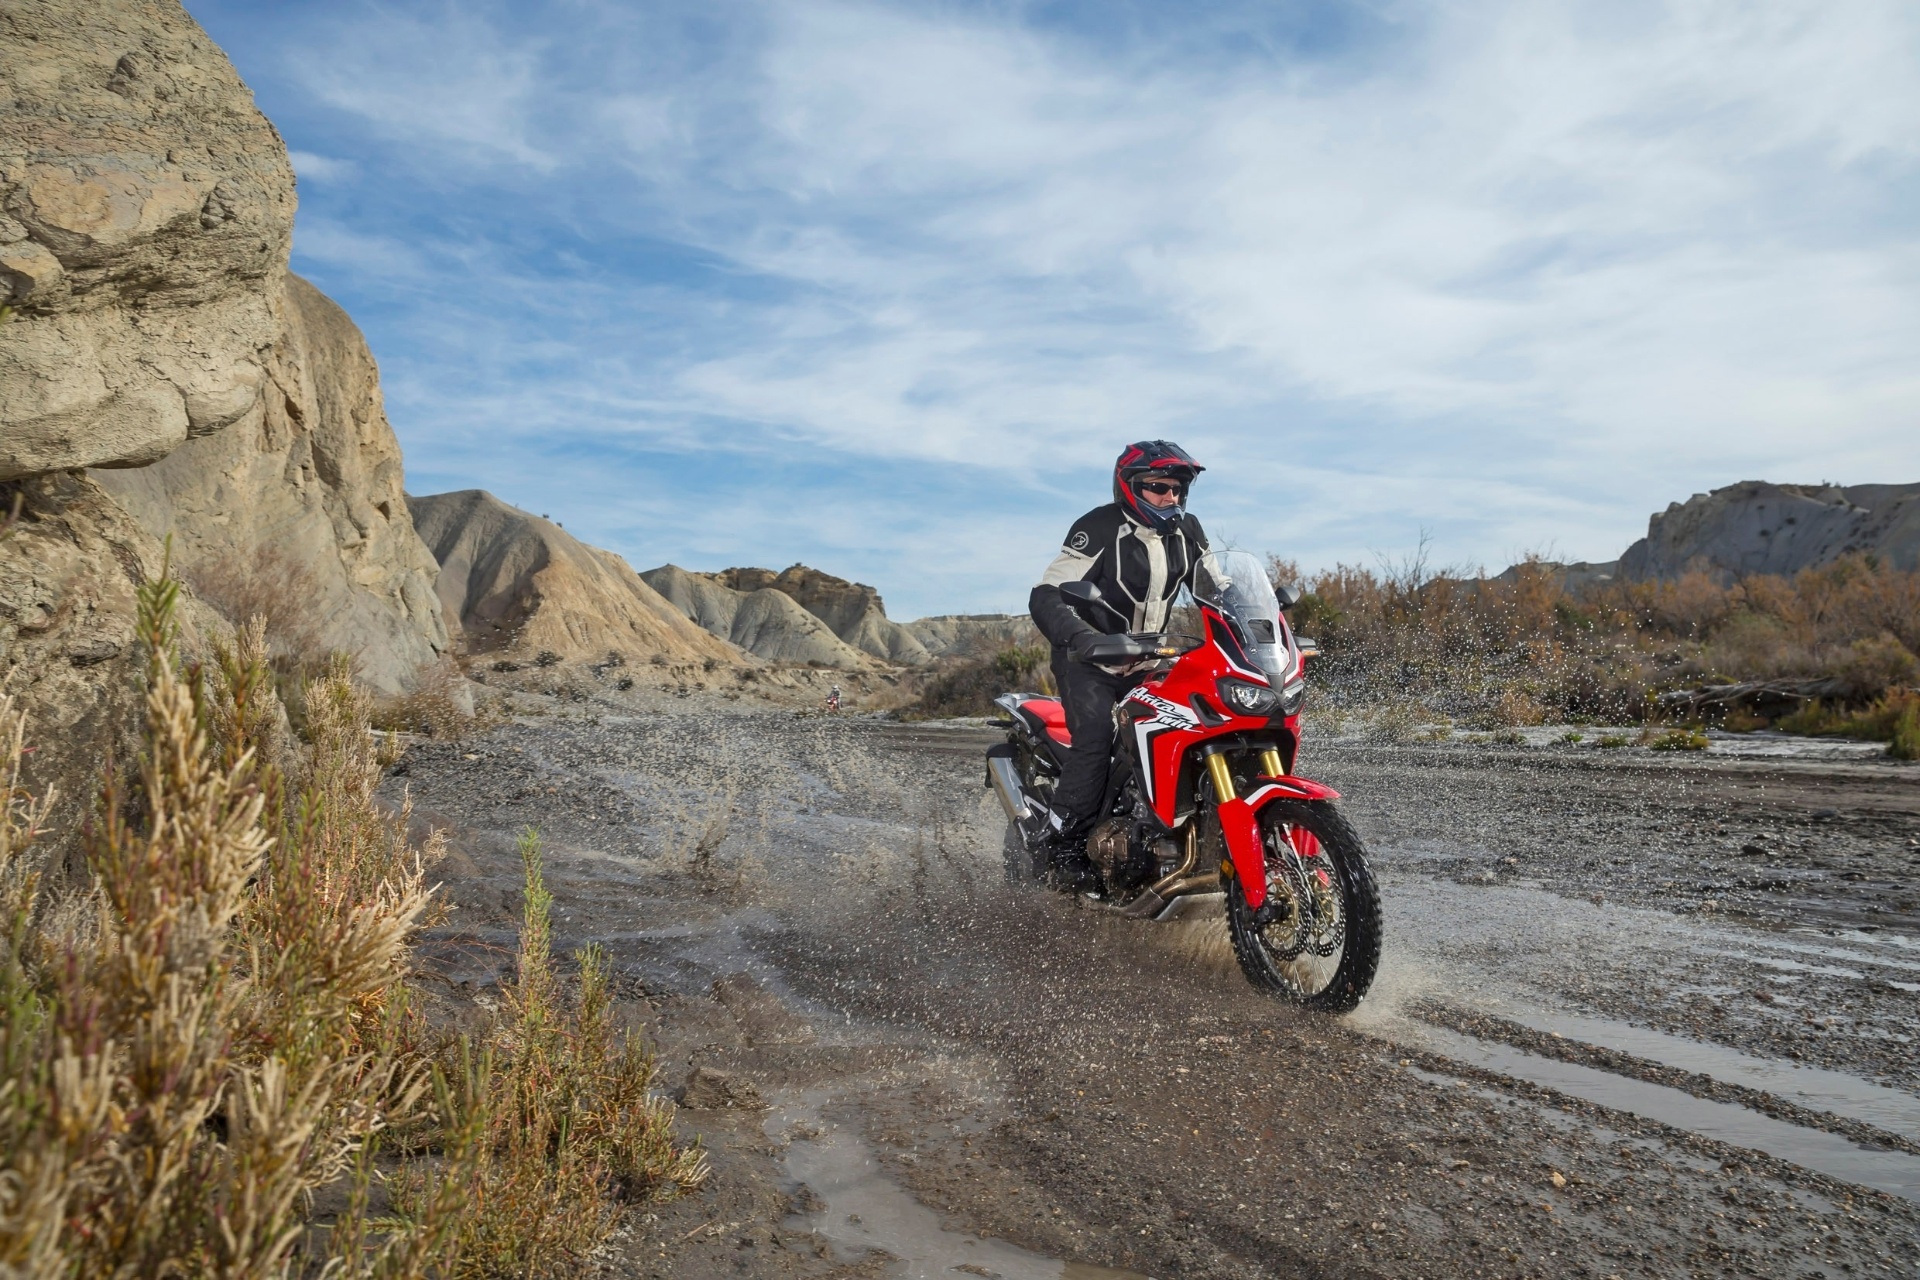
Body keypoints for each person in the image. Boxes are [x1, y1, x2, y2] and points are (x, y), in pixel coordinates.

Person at [1027, 440, 1208, 893]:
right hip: (1090, 661)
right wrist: (1083, 637)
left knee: (1186, 730)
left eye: (1178, 489)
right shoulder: (1099, 526)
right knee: (1095, 741)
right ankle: (1062, 846)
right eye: (1158, 488)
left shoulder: (1187, 532)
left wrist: (1263, 629)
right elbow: (1047, 593)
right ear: (1130, 487)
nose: (1171, 498)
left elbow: (1216, 589)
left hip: (1150, 661)